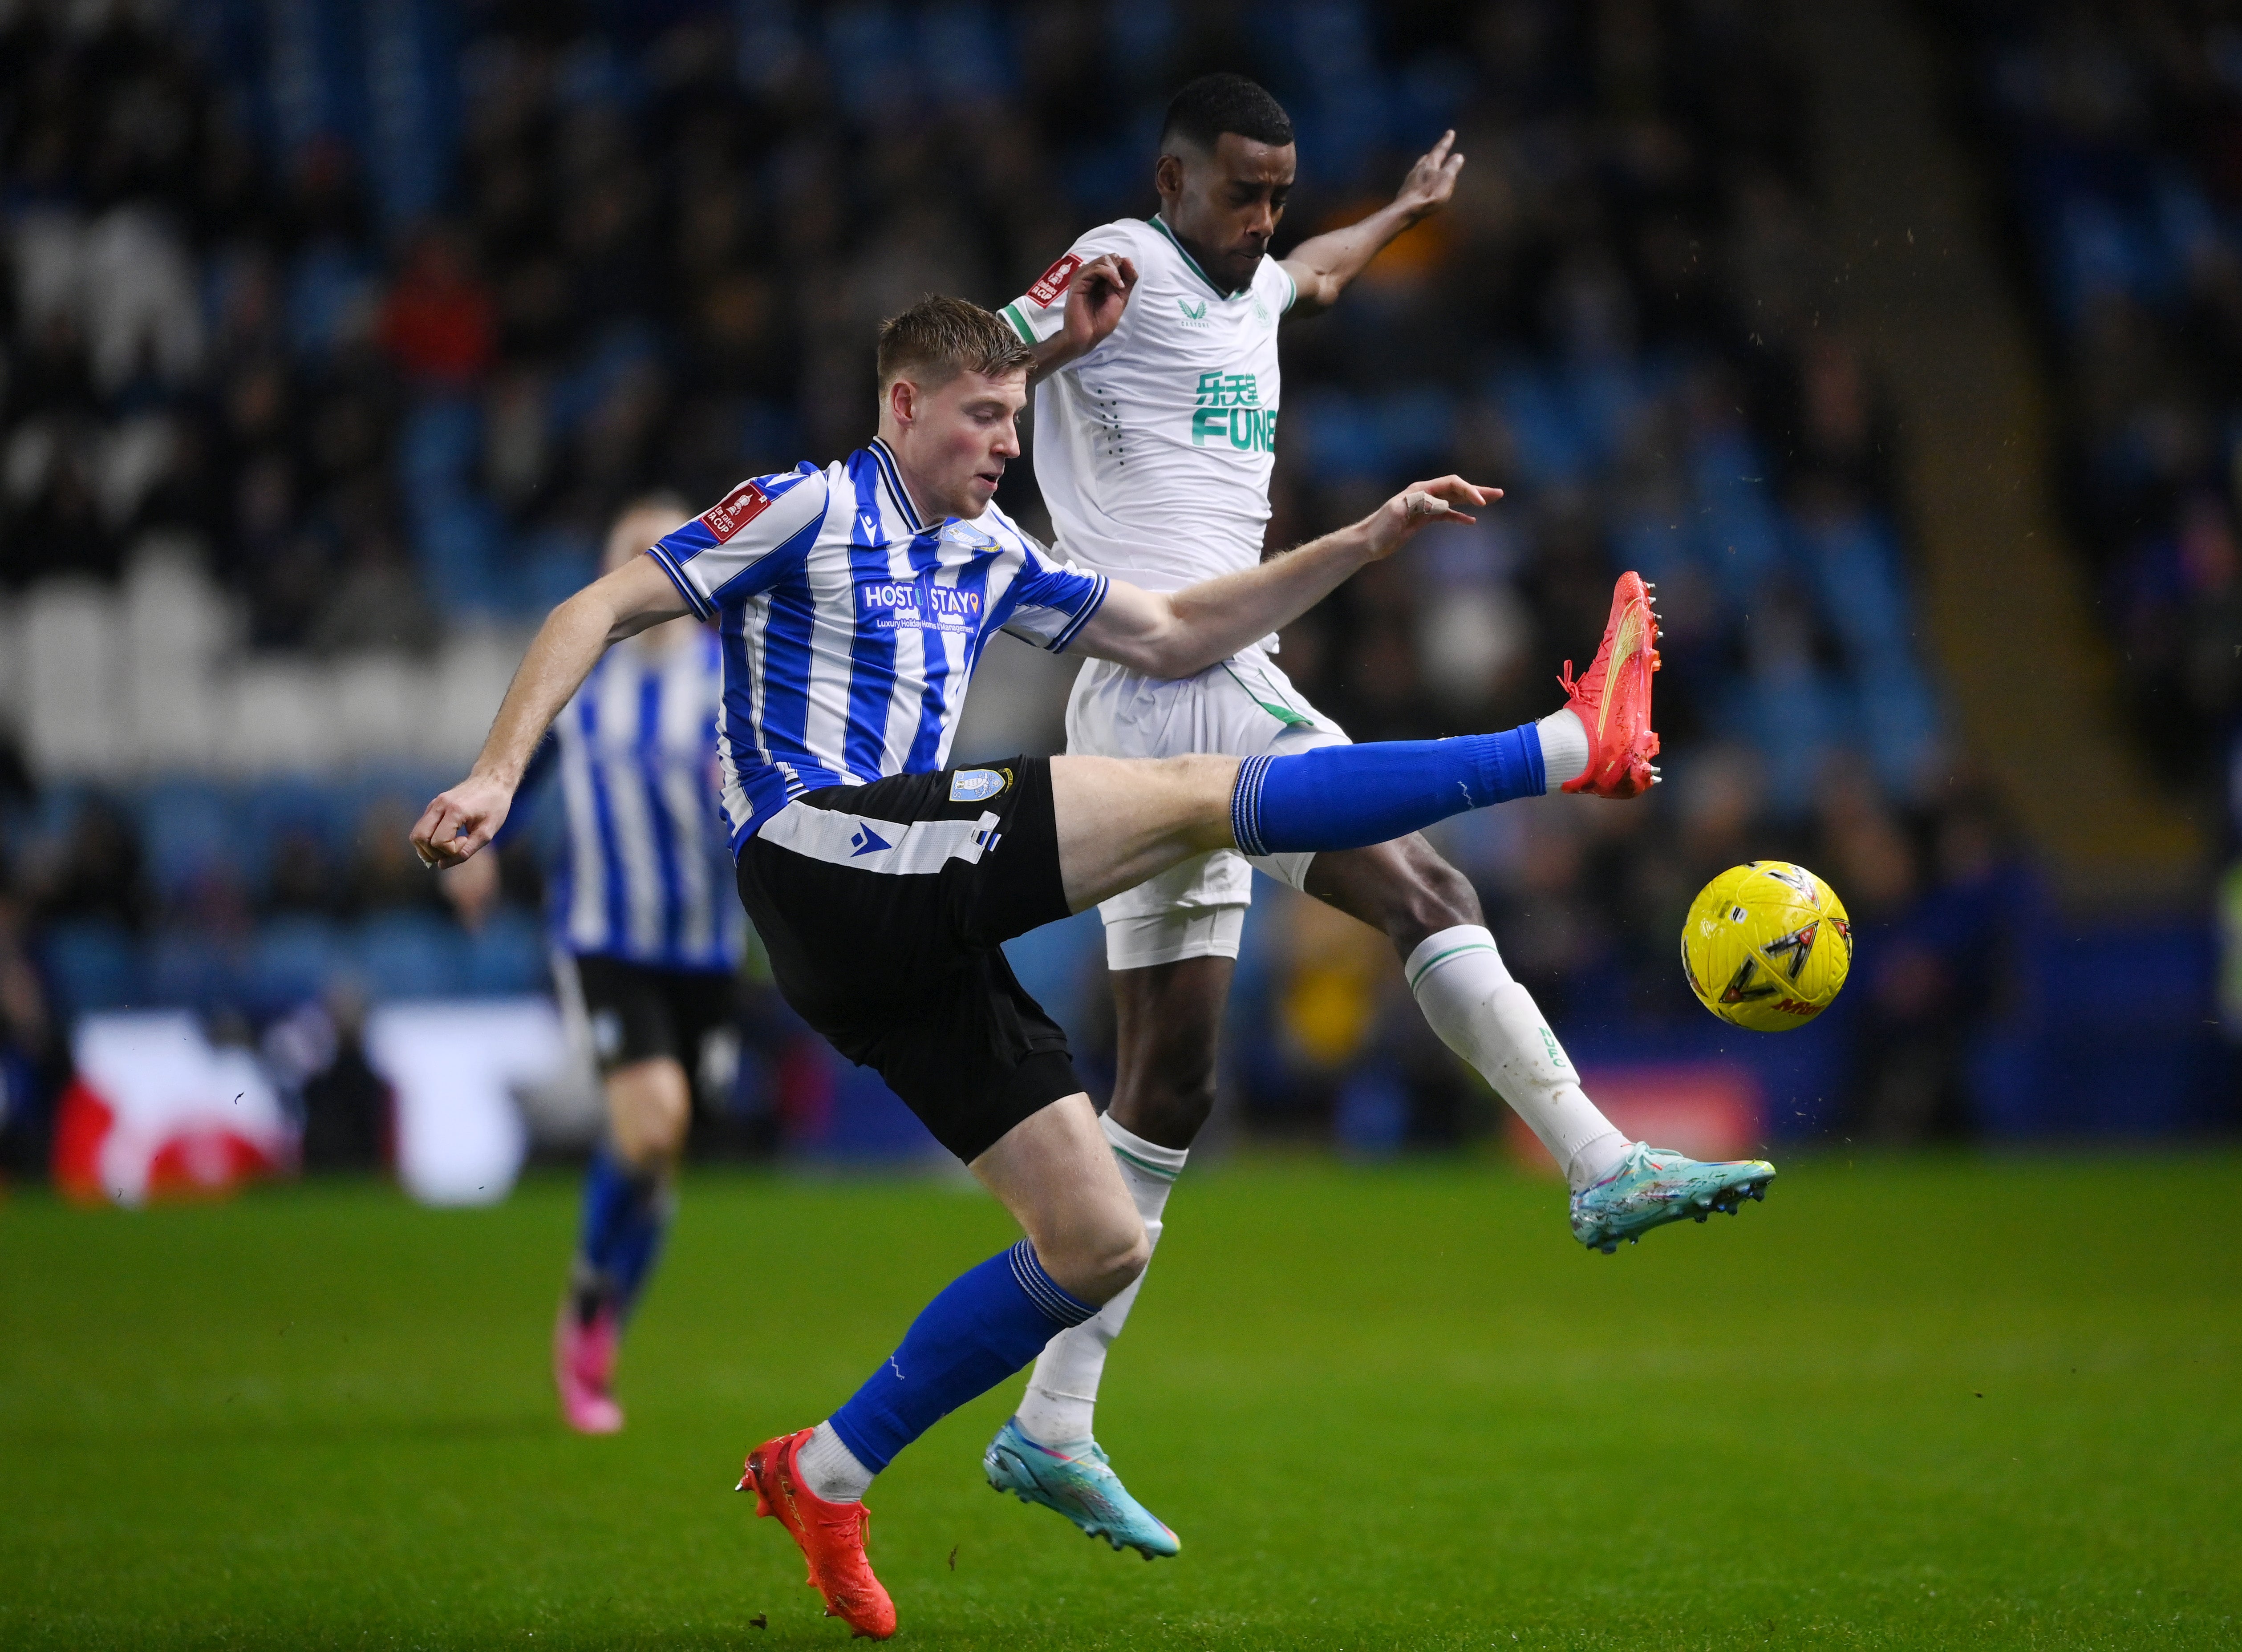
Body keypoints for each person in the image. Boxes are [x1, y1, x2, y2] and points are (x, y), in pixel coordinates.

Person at [411, 295, 1771, 1638]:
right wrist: (495, 772)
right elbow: (595, 607)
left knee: (1097, 1241)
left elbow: (1178, 634)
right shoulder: (806, 506)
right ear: (904, 407)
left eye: (1017, 414)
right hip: (823, 856)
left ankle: (825, 1471)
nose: (1009, 440)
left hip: (899, 922)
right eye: (985, 414)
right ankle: (1560, 749)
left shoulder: (992, 550)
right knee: (1190, 791)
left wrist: (1359, 540)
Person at [988, 73, 1714, 1553]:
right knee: (1428, 893)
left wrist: (1396, 213)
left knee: (1170, 1084)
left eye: (1278, 191)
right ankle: (1595, 1160)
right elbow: (972, 360)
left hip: (1147, 706)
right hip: (1179, 668)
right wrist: (1023, 400)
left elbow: (1308, 275)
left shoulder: (1256, 279)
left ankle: (1051, 1422)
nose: (1261, 220)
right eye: (1238, 191)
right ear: (1169, 175)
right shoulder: (1113, 261)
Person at [444, 497, 746, 1435]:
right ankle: (585, 1296)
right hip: (605, 938)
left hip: (705, 947)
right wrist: (483, 846)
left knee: (660, 1156)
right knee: (653, 1122)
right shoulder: (584, 680)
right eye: (630, 552)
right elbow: (521, 774)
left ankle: (602, 1324)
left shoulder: (731, 678)